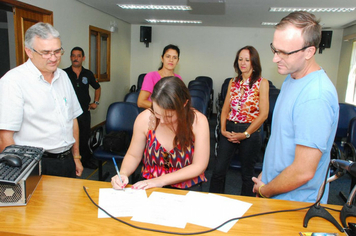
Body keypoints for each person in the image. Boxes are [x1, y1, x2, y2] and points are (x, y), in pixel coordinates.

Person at [252, 11, 339, 203]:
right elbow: (283, 142)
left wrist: (265, 190)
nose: (275, 58)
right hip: (276, 191)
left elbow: (303, 171)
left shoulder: (315, 96)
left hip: (294, 205)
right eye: (275, 49)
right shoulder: (292, 78)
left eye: (284, 52)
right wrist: (266, 177)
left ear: (309, 51)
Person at [0, 22, 83, 178]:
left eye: (57, 51)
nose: (53, 58)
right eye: (46, 52)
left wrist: (76, 157)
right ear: (29, 52)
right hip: (34, 164)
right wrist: (18, 176)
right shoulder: (13, 81)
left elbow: (73, 120)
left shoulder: (63, 76)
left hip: (66, 161)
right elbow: (5, 136)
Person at [111, 76, 209, 190]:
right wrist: (123, 173)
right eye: (157, 114)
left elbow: (199, 165)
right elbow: (133, 155)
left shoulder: (198, 121)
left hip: (186, 186)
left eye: (169, 116)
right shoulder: (144, 119)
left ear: (184, 104)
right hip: (151, 185)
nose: (161, 121)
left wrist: (160, 181)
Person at [209, 46, 269, 196]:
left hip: (251, 131)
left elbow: (264, 114)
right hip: (229, 129)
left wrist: (245, 134)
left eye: (247, 60)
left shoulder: (262, 83)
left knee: (247, 175)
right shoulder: (232, 82)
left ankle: (248, 208)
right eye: (240, 59)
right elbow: (224, 109)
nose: (243, 63)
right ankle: (212, 203)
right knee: (218, 171)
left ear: (254, 62)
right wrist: (223, 130)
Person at [64, 47, 101, 169]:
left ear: (83, 58)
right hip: (68, 113)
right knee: (69, 137)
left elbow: (97, 87)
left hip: (84, 112)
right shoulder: (64, 74)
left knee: (84, 136)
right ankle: (71, 161)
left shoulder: (88, 74)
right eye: (73, 56)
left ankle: (85, 160)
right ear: (70, 58)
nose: (76, 58)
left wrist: (96, 102)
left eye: (78, 56)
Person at [137, 44, 182, 109]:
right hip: (153, 114)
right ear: (162, 58)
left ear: (178, 61)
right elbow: (141, 102)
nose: (171, 60)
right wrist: (162, 108)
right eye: (168, 56)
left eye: (174, 57)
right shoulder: (151, 76)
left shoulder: (178, 79)